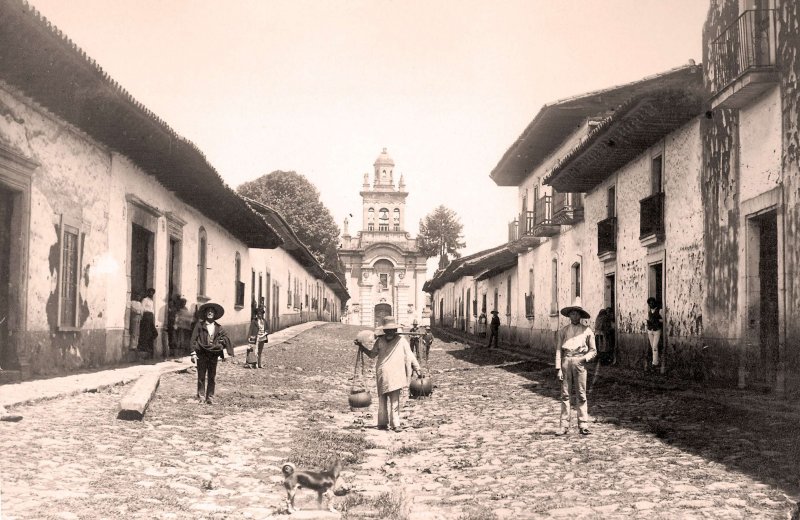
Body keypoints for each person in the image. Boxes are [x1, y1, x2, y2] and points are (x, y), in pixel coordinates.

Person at [358, 316, 422, 432]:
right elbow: (372, 354)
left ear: (395, 330)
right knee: (384, 399)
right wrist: (362, 347)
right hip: (383, 373)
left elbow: (410, 356)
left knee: (394, 399)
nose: (389, 332)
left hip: (395, 373)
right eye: (387, 330)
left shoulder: (401, 341)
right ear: (384, 331)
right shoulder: (380, 341)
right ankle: (385, 423)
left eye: (391, 330)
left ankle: (393, 423)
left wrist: (417, 369)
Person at [555, 303, 597, 436]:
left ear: (581, 316)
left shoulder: (587, 330)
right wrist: (559, 369)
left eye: (577, 313)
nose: (575, 316)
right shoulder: (563, 331)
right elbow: (558, 350)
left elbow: (593, 350)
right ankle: (564, 425)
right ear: (569, 316)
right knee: (565, 395)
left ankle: (583, 424)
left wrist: (584, 359)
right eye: (572, 313)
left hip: (580, 363)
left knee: (581, 394)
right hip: (566, 361)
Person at [190, 302, 233, 405]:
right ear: (205, 314)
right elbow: (193, 339)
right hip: (202, 353)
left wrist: (221, 344)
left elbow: (226, 338)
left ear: (215, 314)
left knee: (212, 376)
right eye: (208, 311)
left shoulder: (219, 327)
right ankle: (201, 396)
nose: (210, 313)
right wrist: (193, 353)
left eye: (212, 311)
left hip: (213, 355)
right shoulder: (200, 325)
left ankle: (210, 397)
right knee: (201, 376)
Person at [137, 288, 158, 358]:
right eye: (150, 292)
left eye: (153, 293)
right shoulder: (145, 300)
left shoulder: (152, 301)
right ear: (148, 293)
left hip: (151, 317)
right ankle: (144, 348)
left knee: (153, 333)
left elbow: (152, 310)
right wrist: (142, 318)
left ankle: (148, 347)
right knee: (145, 332)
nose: (151, 294)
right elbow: (142, 309)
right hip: (146, 317)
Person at [646, 297, 663, 369]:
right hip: (650, 330)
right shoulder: (649, 312)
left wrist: (657, 321)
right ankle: (654, 361)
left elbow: (663, 320)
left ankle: (655, 363)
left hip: (657, 330)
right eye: (650, 303)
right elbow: (647, 319)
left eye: (652, 302)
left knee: (655, 346)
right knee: (652, 347)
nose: (651, 304)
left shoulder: (660, 310)